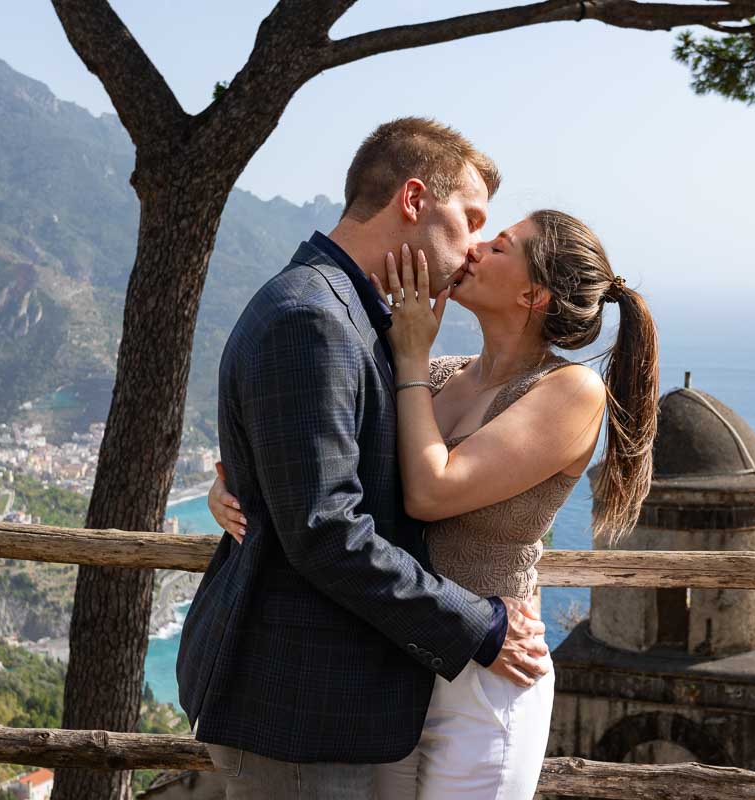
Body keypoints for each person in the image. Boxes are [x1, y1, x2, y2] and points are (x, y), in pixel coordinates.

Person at [208, 208, 661, 797]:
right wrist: (239, 489)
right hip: (394, 656)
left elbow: (430, 492)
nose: (474, 249)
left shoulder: (570, 391)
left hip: (490, 669)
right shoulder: (441, 378)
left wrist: (411, 357)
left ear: (534, 294)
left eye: (500, 246)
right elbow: (330, 474)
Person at [175, 118, 551, 800]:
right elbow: (325, 530)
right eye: (469, 219)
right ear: (413, 200)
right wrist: (480, 625)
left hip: (320, 707)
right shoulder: (313, 318)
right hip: (298, 710)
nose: (471, 249)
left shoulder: (343, 310)